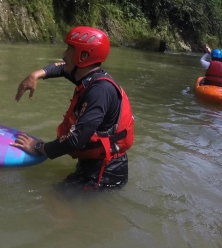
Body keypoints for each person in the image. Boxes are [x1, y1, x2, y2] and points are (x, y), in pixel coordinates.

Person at [12, 26, 134, 192]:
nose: (64, 53)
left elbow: (77, 139)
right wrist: (36, 75)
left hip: (105, 173)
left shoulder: (99, 91)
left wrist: (40, 148)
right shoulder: (88, 76)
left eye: (69, 48)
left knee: (53, 200)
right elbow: (62, 68)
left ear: (83, 56)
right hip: (96, 164)